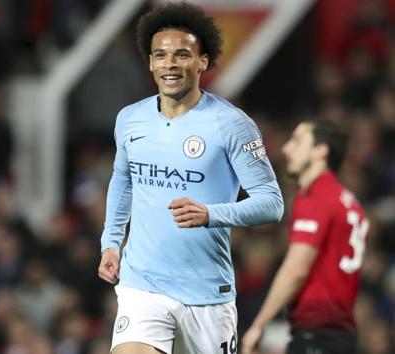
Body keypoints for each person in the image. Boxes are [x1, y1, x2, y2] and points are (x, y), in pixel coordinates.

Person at [97, 2, 284, 353]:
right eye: (161, 55)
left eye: (182, 54)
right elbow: (123, 179)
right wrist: (111, 242)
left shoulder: (232, 124)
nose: (170, 64)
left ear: (203, 62)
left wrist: (211, 214)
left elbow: (272, 203)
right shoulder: (130, 119)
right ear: (150, 62)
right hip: (143, 284)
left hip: (207, 292)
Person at [241, 120, 367, 354]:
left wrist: (259, 325)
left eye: (298, 141)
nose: (288, 148)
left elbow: (296, 269)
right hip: (342, 333)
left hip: (317, 332)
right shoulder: (350, 202)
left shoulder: (316, 196)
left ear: (321, 151)